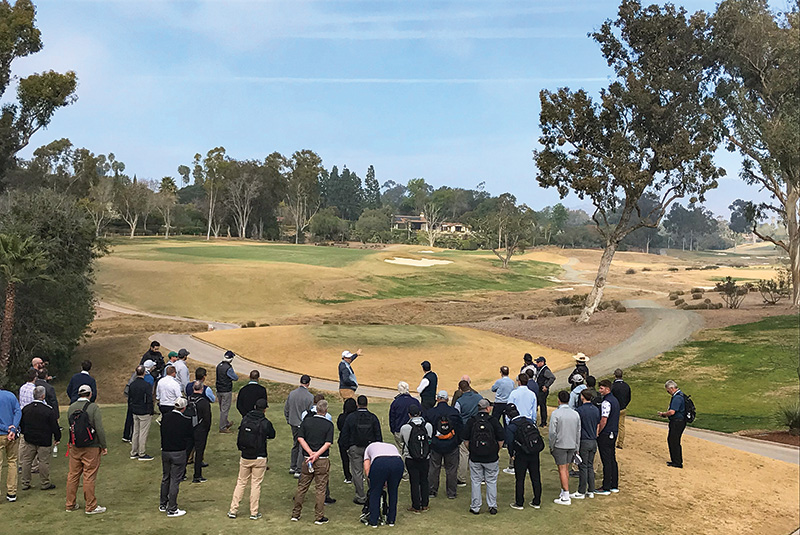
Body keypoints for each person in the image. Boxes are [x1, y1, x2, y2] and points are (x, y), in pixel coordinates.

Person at [228, 398, 275, 520]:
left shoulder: (246, 419)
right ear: (264, 409)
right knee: (256, 484)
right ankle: (254, 512)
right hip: (260, 456)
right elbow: (272, 435)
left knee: (241, 482)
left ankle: (233, 509)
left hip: (246, 455)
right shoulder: (265, 422)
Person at [65, 384, 107, 514]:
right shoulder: (93, 407)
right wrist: (103, 445)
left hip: (75, 445)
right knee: (89, 476)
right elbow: (99, 428)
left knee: (73, 475)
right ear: (90, 394)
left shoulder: (71, 407)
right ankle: (91, 506)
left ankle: (70, 504)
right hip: (91, 446)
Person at [291, 399, 334, 525]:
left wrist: (310, 453)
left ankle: (296, 514)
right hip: (322, 459)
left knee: (302, 487)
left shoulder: (306, 422)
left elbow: (300, 438)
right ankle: (319, 516)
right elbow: (327, 443)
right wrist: (316, 454)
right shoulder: (328, 425)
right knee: (320, 489)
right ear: (325, 411)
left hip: (307, 459)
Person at [340, 395, 382, 505]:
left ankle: (360, 496)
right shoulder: (373, 417)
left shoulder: (351, 417)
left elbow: (345, 434)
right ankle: (373, 493)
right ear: (367, 404)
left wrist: (347, 447)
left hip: (355, 447)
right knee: (371, 471)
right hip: (370, 448)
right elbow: (378, 434)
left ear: (357, 404)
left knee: (357, 472)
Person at [464, 399, 504, 515]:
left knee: (475, 481)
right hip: (491, 457)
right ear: (488, 408)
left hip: (475, 457)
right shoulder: (493, 421)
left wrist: (472, 450)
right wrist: (495, 450)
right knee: (491, 481)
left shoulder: (472, 421)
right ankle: (492, 506)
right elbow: (501, 439)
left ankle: (475, 507)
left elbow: (466, 440)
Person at [19, 386, 60, 491]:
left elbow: (22, 424)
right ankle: (45, 483)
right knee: (43, 461)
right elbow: (54, 426)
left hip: (29, 439)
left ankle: (25, 482)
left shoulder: (26, 409)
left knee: (27, 461)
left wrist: (25, 433)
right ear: (43, 396)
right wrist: (57, 437)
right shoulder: (48, 410)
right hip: (44, 440)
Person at [159, 397, 193, 517]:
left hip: (165, 451)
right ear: (184, 408)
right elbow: (190, 436)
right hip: (178, 452)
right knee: (175, 480)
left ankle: (163, 503)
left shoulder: (165, 417)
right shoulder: (185, 421)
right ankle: (172, 508)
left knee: (166, 477)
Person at [504, 404, 542, 510]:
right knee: (536, 477)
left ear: (508, 415)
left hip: (521, 454)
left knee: (520, 479)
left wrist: (511, 454)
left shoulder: (511, 427)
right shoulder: (529, 421)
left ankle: (519, 502)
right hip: (534, 453)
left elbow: (510, 442)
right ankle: (537, 501)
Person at [425, 390, 461, 499]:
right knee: (451, 470)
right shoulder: (454, 412)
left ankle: (432, 491)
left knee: (434, 468)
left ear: (437, 399)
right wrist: (457, 442)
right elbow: (460, 428)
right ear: (447, 399)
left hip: (435, 445)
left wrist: (430, 442)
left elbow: (426, 429)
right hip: (451, 445)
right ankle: (451, 492)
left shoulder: (431, 412)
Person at [399, 404, 433, 513]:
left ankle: (416, 505)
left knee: (414, 481)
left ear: (409, 414)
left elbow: (402, 440)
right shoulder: (428, 426)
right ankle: (425, 504)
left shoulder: (405, 428)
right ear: (420, 413)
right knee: (424, 480)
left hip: (411, 457)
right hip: (425, 457)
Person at [549, 390, 581, 506]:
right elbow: (578, 432)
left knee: (562, 469)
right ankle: (563, 492)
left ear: (559, 400)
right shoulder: (575, 414)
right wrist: (577, 446)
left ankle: (566, 496)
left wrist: (551, 445)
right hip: (572, 444)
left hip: (560, 445)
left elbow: (552, 432)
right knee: (566, 469)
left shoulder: (556, 414)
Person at [363, 442, 404, 527]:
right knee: (393, 492)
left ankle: (374, 521)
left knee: (375, 493)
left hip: (380, 462)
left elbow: (367, 469)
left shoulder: (368, 448)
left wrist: (373, 482)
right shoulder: (392, 446)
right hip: (398, 462)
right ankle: (391, 520)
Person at [389, 381, 420, 479]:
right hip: (415, 430)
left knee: (401, 451)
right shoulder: (415, 401)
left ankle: (405, 473)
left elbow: (392, 418)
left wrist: (393, 430)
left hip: (399, 430)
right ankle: (413, 471)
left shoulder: (395, 403)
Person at [453, 380, 482, 487]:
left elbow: (456, 416)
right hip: (477, 427)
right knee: (479, 450)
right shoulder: (478, 397)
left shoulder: (459, 402)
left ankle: (462, 478)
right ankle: (481, 477)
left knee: (464, 453)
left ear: (460, 390)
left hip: (465, 428)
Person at [284, 375, 314, 478]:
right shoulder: (310, 397)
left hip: (293, 422)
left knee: (295, 444)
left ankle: (292, 466)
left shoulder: (292, 394)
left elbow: (286, 409)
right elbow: (310, 413)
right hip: (303, 424)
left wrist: (289, 420)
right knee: (302, 446)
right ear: (308, 383)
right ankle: (298, 469)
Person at [573, 389, 600, 499]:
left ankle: (581, 491)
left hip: (584, 440)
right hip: (593, 440)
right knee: (590, 466)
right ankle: (591, 490)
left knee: (583, 467)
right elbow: (598, 425)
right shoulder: (596, 410)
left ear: (582, 397)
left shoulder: (580, 410)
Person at [595, 379, 620, 495]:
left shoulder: (606, 402)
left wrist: (598, 432)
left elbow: (604, 420)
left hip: (606, 433)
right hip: (613, 433)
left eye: (601, 388)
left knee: (606, 460)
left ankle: (606, 486)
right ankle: (614, 484)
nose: (600, 390)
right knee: (612, 459)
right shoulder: (615, 400)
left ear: (607, 389)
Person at [187, 381, 212, 482]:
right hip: (200, 429)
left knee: (187, 451)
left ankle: (181, 473)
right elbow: (207, 418)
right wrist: (206, 429)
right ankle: (197, 475)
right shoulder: (204, 402)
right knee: (199, 452)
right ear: (202, 389)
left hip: (188, 428)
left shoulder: (188, 400)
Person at [128, 365, 155, 461]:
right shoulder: (146, 385)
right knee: (143, 432)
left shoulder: (132, 384)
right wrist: (151, 410)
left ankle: (134, 452)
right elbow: (149, 399)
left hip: (135, 410)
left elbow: (130, 398)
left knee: (136, 431)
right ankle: (141, 453)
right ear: (144, 373)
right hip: (144, 411)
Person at [658, 380, 686, 469]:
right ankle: (675, 460)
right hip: (680, 421)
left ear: (671, 388)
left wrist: (663, 414)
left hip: (677, 422)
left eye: (668, 390)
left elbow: (672, 412)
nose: (668, 392)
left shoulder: (677, 398)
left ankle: (677, 462)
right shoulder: (681, 395)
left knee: (673, 440)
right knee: (674, 440)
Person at [0, 387, 21, 502]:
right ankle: (12, 492)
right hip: (12, 434)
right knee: (12, 461)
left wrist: (6, 428)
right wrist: (13, 428)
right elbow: (18, 411)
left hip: (2, 433)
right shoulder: (10, 395)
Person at [216, 350, 239, 433]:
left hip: (219, 389)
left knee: (222, 408)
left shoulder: (219, 366)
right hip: (226, 390)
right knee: (225, 409)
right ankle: (222, 427)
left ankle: (225, 423)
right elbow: (235, 378)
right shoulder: (228, 368)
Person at [336, 398, 357, 484]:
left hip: (343, 440)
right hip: (354, 439)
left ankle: (347, 476)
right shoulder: (355, 417)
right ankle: (357, 475)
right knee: (355, 459)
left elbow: (339, 427)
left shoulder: (341, 417)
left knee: (345, 459)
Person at [611, 368, 631, 449]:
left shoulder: (613, 386)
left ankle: (612, 441)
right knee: (621, 426)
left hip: (614, 409)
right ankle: (620, 443)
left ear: (615, 375)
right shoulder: (626, 386)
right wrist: (624, 405)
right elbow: (629, 398)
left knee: (612, 425)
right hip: (623, 408)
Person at [533, 357, 556, 426]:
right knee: (537, 405)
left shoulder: (545, 370)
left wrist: (546, 386)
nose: (536, 363)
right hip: (539, 390)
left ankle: (543, 422)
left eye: (538, 362)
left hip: (542, 391)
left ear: (542, 362)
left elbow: (552, 377)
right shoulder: (540, 369)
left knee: (542, 406)